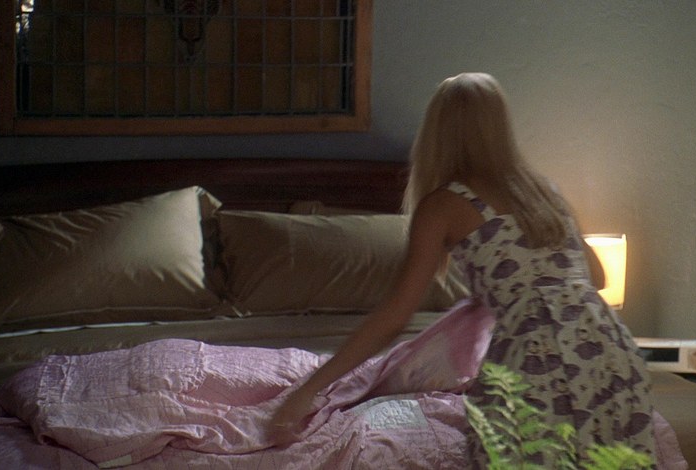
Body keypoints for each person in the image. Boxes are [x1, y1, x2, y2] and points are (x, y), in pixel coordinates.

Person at [269, 72, 656, 465]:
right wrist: (508, 294)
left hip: (538, 357)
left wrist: (307, 391)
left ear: (437, 133)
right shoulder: (543, 192)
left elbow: (393, 318)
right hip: (610, 352)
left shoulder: (444, 205)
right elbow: (597, 276)